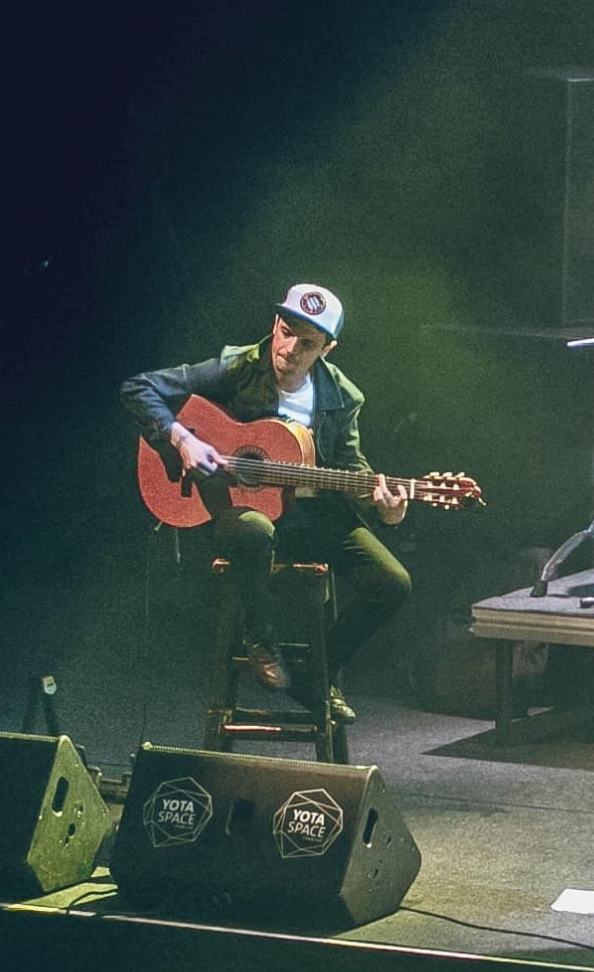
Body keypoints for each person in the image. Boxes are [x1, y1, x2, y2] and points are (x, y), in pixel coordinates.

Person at [122, 284, 414, 722]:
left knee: (393, 582)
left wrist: (386, 508)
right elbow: (138, 388)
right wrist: (181, 439)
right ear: (275, 324)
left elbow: (352, 470)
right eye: (286, 330)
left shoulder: (343, 397)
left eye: (308, 342)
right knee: (256, 530)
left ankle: (317, 674)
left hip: (309, 516)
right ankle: (260, 640)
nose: (290, 348)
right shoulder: (240, 365)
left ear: (327, 349)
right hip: (232, 508)